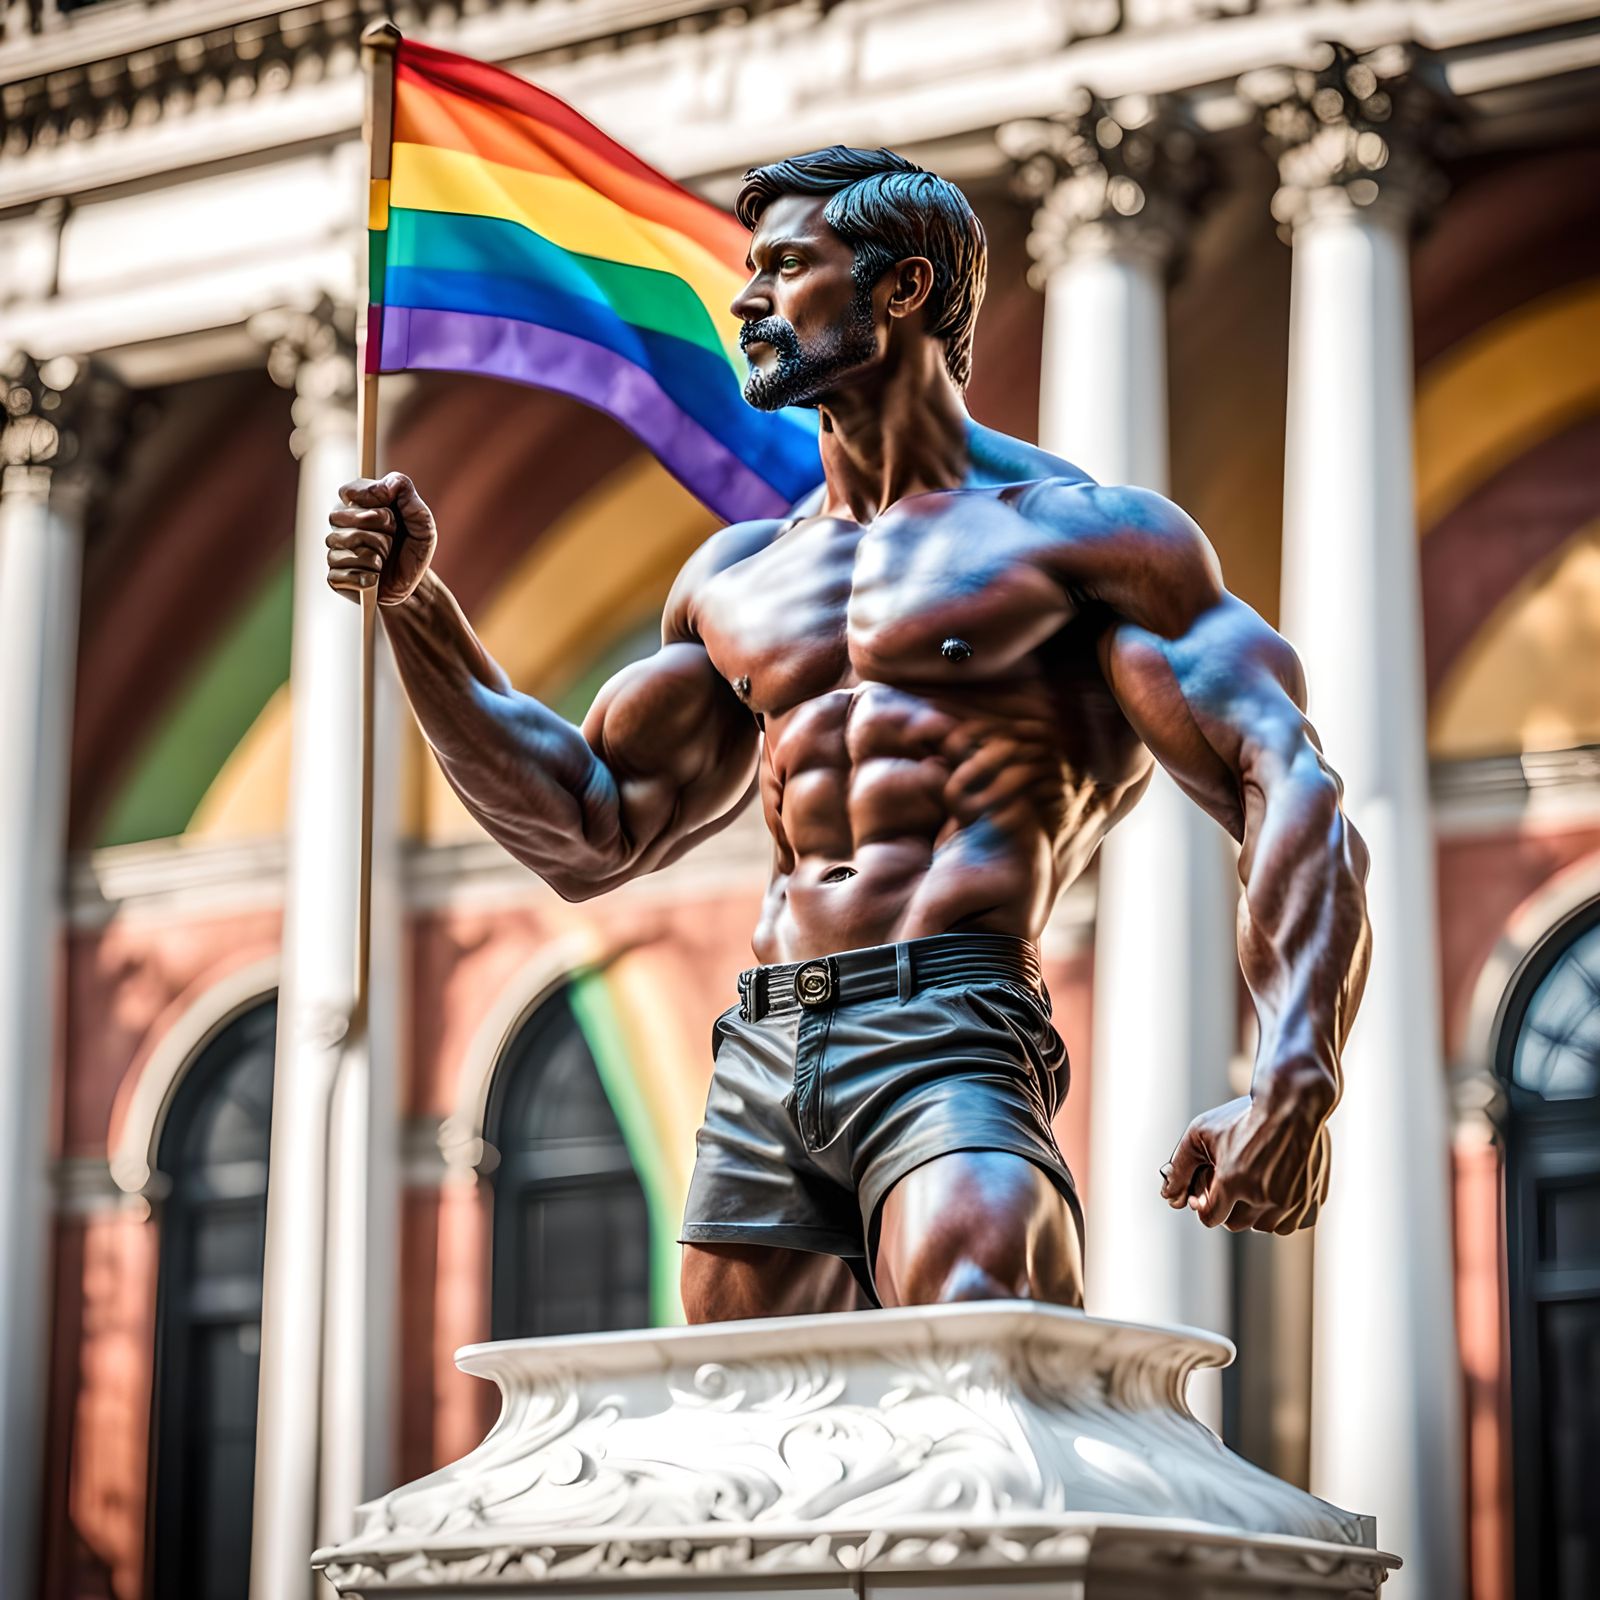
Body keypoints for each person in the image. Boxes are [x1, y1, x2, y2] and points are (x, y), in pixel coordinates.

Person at [326, 147, 1370, 1323]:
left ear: (903, 288)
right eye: (749, 268)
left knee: (986, 1354)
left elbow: (1286, 782)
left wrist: (1293, 1077)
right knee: (738, 1438)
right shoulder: (740, 575)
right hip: (764, 1051)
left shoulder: (1080, 542)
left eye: (785, 265)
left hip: (953, 1029)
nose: (745, 297)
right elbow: (587, 827)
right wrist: (418, 610)